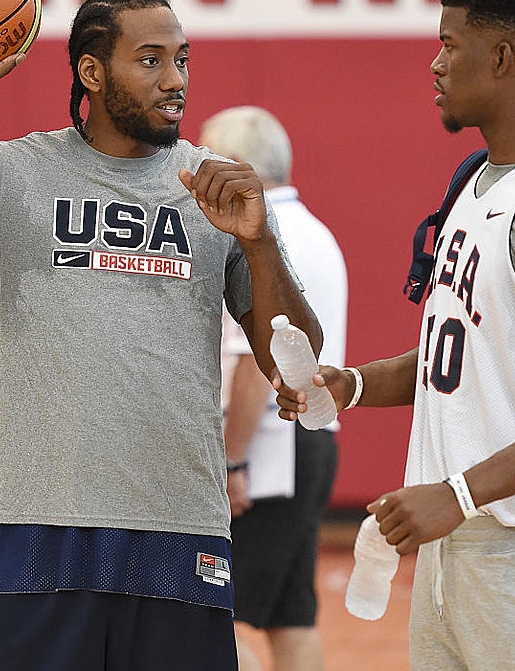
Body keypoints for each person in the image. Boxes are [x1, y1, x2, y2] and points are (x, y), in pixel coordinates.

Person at [0, 0, 320, 671]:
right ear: (92, 72)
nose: (175, 80)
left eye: (182, 59)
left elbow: (295, 367)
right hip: (37, 528)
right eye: (150, 60)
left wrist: (259, 242)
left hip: (177, 528)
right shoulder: (7, 174)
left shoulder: (215, 190)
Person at [276, 0, 515, 670]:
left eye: (450, 43)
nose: (435, 64)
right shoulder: (475, 182)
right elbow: (468, 359)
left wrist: (458, 492)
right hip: (460, 547)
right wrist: (351, 385)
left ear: (503, 57)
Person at [201, 107, 347, 671]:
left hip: (267, 450)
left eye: (208, 157)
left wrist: (234, 462)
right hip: (307, 443)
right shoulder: (316, 232)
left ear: (238, 166)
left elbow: (252, 364)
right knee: (291, 617)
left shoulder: (266, 235)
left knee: (218, 616)